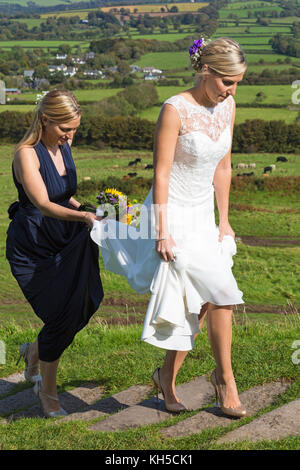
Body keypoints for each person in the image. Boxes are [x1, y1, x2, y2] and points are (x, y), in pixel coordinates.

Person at [91, 37, 247, 417]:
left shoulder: (228, 107)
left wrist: (224, 221)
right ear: (205, 71)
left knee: (204, 301)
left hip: (203, 216)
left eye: (238, 82)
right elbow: (160, 174)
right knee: (222, 293)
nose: (232, 90)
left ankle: (166, 375)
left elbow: (223, 168)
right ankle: (226, 380)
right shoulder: (174, 109)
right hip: (171, 213)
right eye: (227, 81)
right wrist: (162, 230)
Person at [6, 90, 104, 418]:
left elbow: (64, 195)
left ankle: (33, 352)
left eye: (74, 128)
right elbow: (44, 204)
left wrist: (92, 210)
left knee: (87, 299)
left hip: (66, 236)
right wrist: (85, 218)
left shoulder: (63, 146)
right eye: (65, 128)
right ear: (45, 119)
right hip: (34, 245)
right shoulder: (26, 155)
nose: (70, 136)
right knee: (61, 314)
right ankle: (47, 392)